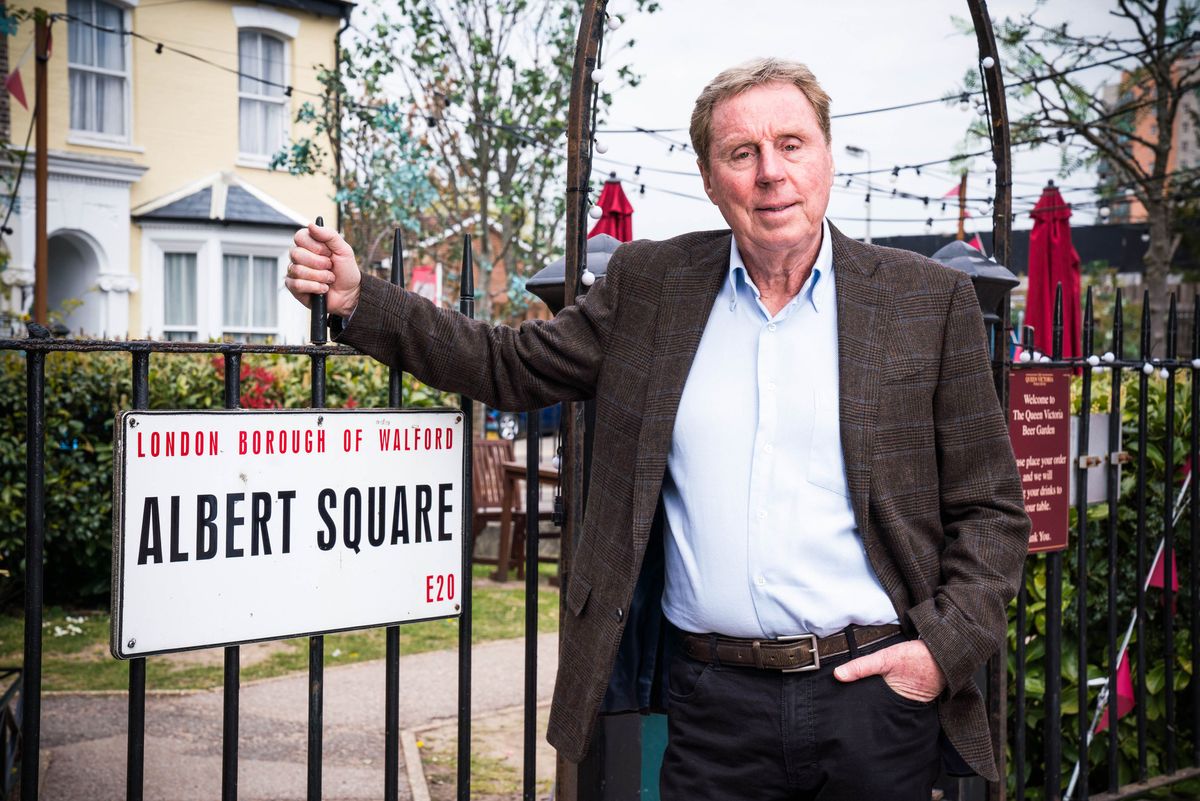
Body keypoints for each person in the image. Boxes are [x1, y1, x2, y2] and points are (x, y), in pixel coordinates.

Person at [286, 57, 1029, 801]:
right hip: (713, 705)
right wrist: (361, 300)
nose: (771, 171)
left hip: (874, 697)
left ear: (828, 155)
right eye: (742, 153)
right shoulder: (653, 287)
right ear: (711, 180)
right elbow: (508, 363)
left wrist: (937, 652)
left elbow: (991, 510)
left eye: (792, 144)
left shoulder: (924, 302)